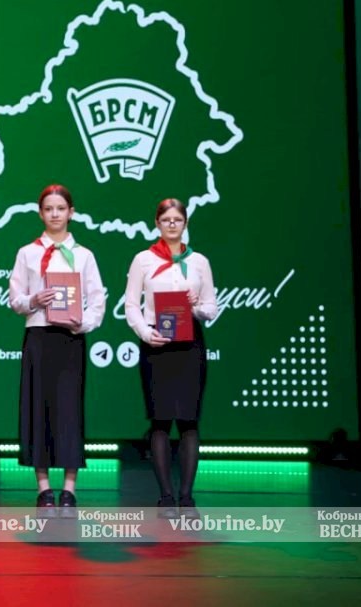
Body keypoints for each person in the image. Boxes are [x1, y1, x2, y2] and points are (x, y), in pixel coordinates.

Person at [7, 185, 105, 518]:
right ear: (40, 213)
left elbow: (98, 300)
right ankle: (43, 487)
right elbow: (15, 299)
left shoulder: (84, 255)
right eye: (48, 209)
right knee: (38, 408)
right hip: (38, 336)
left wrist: (83, 323)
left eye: (60, 208)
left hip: (70, 339)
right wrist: (33, 300)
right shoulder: (27, 253)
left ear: (71, 212)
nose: (54, 214)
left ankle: (70, 488)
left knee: (69, 411)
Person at [123, 198, 217, 519]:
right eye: (166, 220)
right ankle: (165, 497)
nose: (172, 224)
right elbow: (131, 305)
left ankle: (187, 498)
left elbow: (211, 308)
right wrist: (145, 332)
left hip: (190, 346)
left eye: (177, 219)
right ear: (157, 224)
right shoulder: (143, 260)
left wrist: (195, 305)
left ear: (185, 223)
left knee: (189, 421)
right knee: (160, 420)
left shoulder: (200, 262)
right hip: (157, 345)